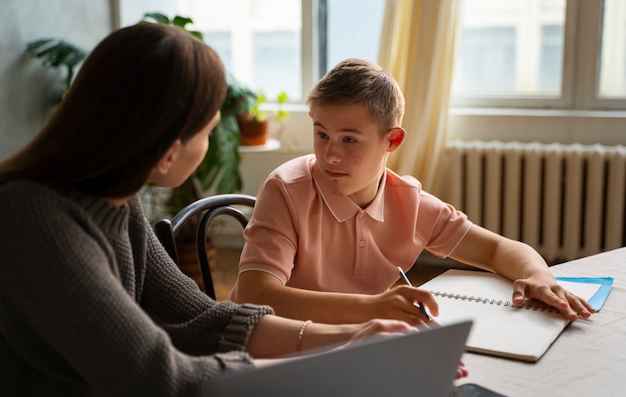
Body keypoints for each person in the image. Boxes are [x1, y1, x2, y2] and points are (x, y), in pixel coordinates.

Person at [0, 25, 417, 397]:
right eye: (210, 130)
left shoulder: (116, 200)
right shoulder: (31, 218)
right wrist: (331, 362)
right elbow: (158, 377)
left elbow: (201, 318)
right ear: (167, 153)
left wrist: (352, 338)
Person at [231, 58, 595, 327]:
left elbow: (498, 248)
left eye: (349, 139)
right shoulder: (286, 190)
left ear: (393, 140)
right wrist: (374, 307)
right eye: (321, 133)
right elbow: (255, 296)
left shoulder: (408, 202)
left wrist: (538, 275)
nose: (330, 154)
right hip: (277, 352)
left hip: (359, 344)